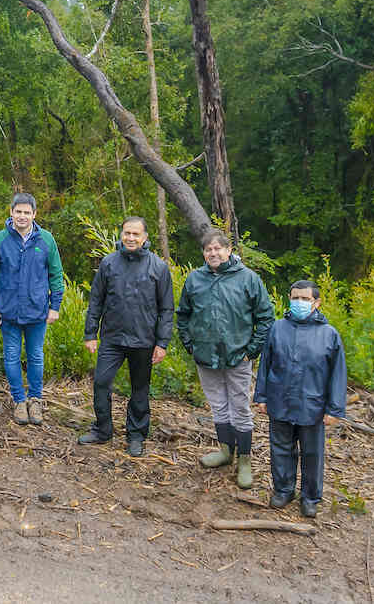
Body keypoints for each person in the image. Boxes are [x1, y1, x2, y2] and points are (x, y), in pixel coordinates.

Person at [177, 229, 274, 489]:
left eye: (218, 248)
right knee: (218, 406)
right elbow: (183, 315)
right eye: (208, 249)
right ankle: (224, 452)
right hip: (205, 357)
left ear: (229, 250)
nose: (213, 252)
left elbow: (265, 318)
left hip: (238, 357)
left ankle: (244, 460)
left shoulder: (248, 279)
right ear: (204, 254)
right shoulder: (195, 279)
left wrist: (251, 350)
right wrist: (190, 345)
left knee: (240, 410)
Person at [79, 216, 174, 456]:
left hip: (144, 340)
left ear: (145, 238)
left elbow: (166, 309)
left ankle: (136, 435)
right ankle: (102, 429)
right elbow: (96, 300)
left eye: (135, 234)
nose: (130, 238)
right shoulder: (109, 263)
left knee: (140, 389)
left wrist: (162, 343)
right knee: (101, 383)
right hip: (112, 338)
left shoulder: (158, 267)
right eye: (127, 233)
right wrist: (90, 333)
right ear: (121, 234)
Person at [254, 280, 347, 518]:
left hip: (312, 404)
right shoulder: (278, 328)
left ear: (316, 302)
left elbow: (337, 374)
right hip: (279, 399)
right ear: (289, 299)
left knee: (312, 453)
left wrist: (334, 409)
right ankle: (284, 490)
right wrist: (261, 396)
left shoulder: (329, 335)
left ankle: (310, 497)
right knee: (281, 449)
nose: (300, 303)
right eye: (296, 298)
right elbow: (266, 364)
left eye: (305, 299)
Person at [0, 193, 64, 426]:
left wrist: (54, 306)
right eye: (18, 211)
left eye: (27, 212)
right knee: (11, 356)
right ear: (11, 212)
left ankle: (35, 400)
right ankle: (19, 400)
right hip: (8, 312)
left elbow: (56, 275)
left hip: (37, 312)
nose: (22, 216)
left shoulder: (46, 240)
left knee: (36, 356)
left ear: (34, 215)